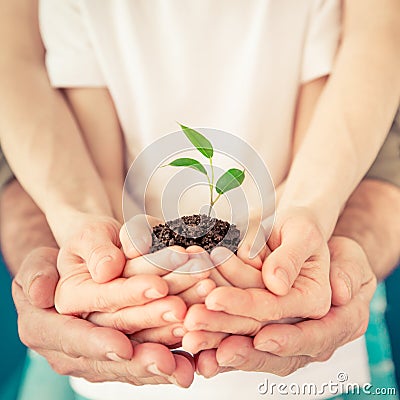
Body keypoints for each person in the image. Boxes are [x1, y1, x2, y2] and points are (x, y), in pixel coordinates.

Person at [0, 0, 399, 399]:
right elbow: (20, 63)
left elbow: (374, 38)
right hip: (112, 357)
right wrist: (88, 230)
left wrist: (305, 213)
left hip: (312, 354)